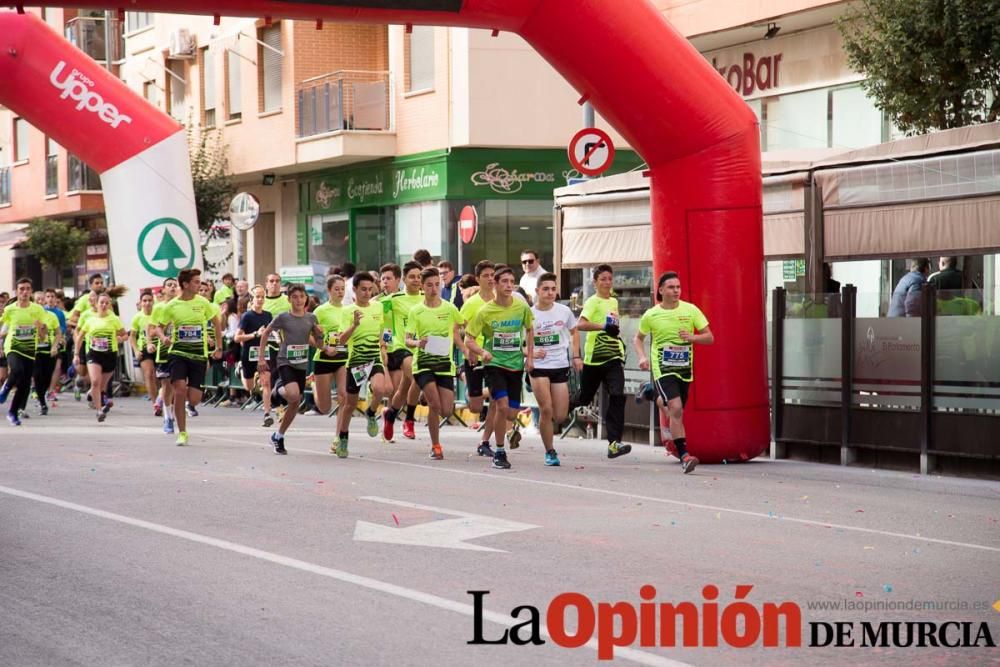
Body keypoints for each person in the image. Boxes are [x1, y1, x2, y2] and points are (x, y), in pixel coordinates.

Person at [634, 271, 713, 474]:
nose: (676, 290)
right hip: (663, 368)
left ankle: (653, 394)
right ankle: (685, 456)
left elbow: (709, 337)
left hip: (684, 369)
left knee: (675, 411)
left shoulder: (691, 310)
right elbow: (638, 338)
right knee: (676, 409)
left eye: (678, 287)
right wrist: (642, 357)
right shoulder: (651, 314)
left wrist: (692, 338)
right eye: (671, 287)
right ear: (661, 290)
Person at [465, 265, 534, 470]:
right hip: (494, 364)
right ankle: (500, 452)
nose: (508, 285)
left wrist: (529, 358)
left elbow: (530, 330)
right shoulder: (485, 311)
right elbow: (469, 338)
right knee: (502, 406)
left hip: (515, 365)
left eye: (512, 282)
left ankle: (498, 439)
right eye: (504, 281)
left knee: (512, 414)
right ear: (494, 284)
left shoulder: (521, 307)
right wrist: (482, 352)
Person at [151, 269, 223, 446]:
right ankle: (182, 432)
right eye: (196, 282)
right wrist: (163, 338)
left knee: (194, 399)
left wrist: (219, 346)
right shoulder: (171, 306)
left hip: (198, 354)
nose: (200, 285)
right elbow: (158, 327)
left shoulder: (203, 303)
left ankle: (187, 404)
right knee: (179, 389)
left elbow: (216, 323)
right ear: (185, 284)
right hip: (178, 354)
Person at [258, 283, 329, 454]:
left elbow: (318, 344)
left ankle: (279, 436)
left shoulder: (311, 318)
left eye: (301, 297)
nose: (298, 300)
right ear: (289, 299)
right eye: (295, 297)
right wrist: (261, 357)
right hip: (285, 361)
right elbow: (266, 333)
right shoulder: (283, 317)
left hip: (301, 363)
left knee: (295, 402)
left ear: (306, 299)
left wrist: (320, 335)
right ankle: (277, 391)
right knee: (293, 394)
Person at [571, 263, 632, 460]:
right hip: (594, 359)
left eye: (609, 279)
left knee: (617, 395)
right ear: (595, 282)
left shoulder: (613, 302)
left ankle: (614, 442)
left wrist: (615, 335)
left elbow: (612, 327)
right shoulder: (592, 301)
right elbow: (580, 324)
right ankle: (560, 408)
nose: (607, 282)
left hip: (613, 357)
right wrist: (603, 327)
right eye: (603, 279)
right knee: (584, 399)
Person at [405, 267, 466, 460]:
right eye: (429, 285)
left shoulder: (449, 308)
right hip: (423, 363)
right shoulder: (416, 311)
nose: (434, 289)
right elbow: (408, 339)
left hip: (444, 364)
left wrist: (468, 345)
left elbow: (463, 326)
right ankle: (435, 445)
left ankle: (426, 393)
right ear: (423, 287)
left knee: (447, 410)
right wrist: (417, 343)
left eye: (437, 285)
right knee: (435, 405)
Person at [333, 272, 392, 458]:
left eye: (369, 289)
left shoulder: (378, 307)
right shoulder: (346, 311)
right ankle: (343, 437)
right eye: (363, 290)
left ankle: (371, 411)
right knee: (349, 405)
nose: (367, 293)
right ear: (355, 290)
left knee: (380, 389)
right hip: (356, 361)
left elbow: (383, 331)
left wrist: (384, 347)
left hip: (374, 357)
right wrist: (354, 325)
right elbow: (341, 340)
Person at [529, 273, 582, 467]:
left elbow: (574, 332)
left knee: (560, 415)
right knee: (546, 409)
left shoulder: (564, 311)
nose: (550, 293)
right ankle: (550, 451)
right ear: (537, 291)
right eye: (545, 289)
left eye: (553, 289)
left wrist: (576, 356)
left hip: (560, 365)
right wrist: (531, 353)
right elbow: (519, 341)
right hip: (539, 367)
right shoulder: (529, 313)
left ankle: (547, 427)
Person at [381, 261, 424, 442]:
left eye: (419, 276)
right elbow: (373, 308)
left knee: (406, 385)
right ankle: (409, 419)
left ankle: (390, 415)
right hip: (401, 347)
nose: (416, 280)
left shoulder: (426, 297)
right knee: (417, 377)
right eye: (412, 277)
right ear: (404, 279)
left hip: (421, 348)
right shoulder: (394, 299)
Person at [459, 260, 497, 455]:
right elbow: (456, 329)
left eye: (493, 275)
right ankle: (467, 382)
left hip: (496, 357)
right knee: (475, 407)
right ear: (477, 279)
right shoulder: (471, 304)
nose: (490, 279)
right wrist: (467, 350)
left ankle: (485, 442)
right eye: (486, 276)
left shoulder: (502, 299)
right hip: (474, 355)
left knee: (499, 398)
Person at [0, 278, 49, 425]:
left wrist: (40, 327)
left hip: (29, 349)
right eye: (22, 289)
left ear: (31, 291)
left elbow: (43, 335)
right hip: (13, 346)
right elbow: (5, 327)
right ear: (17, 291)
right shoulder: (10, 309)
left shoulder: (38, 310)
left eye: (27, 288)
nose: (25, 292)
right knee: (17, 370)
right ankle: (6, 389)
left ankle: (12, 413)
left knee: (25, 384)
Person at [75, 293, 127, 422]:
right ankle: (99, 411)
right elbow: (80, 336)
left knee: (102, 386)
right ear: (96, 304)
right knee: (95, 382)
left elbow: (125, 335)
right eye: (101, 303)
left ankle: (91, 393)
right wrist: (76, 354)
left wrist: (121, 338)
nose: (104, 305)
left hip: (110, 354)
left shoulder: (114, 319)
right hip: (94, 353)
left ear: (109, 305)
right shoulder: (90, 319)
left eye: (106, 303)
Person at [235, 286, 274, 427]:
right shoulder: (247, 316)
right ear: (252, 299)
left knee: (266, 382)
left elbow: (272, 331)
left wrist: (277, 337)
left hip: (263, 354)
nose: (260, 299)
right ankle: (240, 369)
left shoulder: (268, 315)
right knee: (249, 387)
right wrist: (255, 334)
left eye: (263, 297)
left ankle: (267, 413)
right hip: (248, 354)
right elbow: (236, 338)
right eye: (257, 296)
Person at [311, 274, 349, 418]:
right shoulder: (320, 310)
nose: (340, 292)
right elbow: (308, 335)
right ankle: (314, 386)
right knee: (324, 407)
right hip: (324, 358)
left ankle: (341, 433)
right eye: (336, 289)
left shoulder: (348, 309)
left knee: (344, 395)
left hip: (343, 357)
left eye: (342, 289)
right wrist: (324, 347)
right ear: (328, 290)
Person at [149, 277, 179, 431]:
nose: (173, 287)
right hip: (164, 351)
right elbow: (152, 328)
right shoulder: (158, 308)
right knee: (167, 384)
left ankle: (173, 413)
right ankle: (168, 417)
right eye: (169, 285)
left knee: (177, 384)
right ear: (164, 289)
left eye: (175, 285)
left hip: (181, 350)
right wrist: (151, 341)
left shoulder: (182, 305)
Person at [130, 290, 158, 410]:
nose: (147, 303)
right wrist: (136, 350)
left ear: (153, 301)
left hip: (160, 347)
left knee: (161, 377)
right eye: (144, 301)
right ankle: (155, 404)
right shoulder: (137, 317)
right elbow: (132, 336)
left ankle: (162, 399)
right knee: (149, 374)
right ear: (140, 303)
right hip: (144, 348)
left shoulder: (158, 314)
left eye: (149, 300)